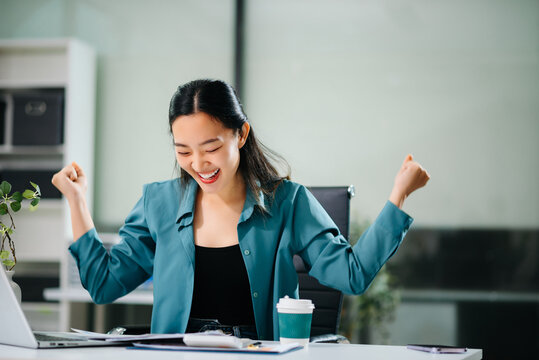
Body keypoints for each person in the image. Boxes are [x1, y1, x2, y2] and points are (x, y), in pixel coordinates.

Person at [52, 79, 430, 341]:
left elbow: (352, 274)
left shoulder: (288, 202)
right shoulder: (158, 202)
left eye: (211, 147)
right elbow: (103, 286)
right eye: (183, 151)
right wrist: (76, 200)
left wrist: (399, 196)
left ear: (241, 135)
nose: (198, 163)